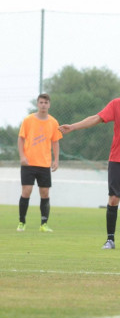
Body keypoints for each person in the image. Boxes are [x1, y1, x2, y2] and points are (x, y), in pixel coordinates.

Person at [59, 66, 120, 250]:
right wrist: (73, 127)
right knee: (114, 199)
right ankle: (110, 240)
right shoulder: (117, 104)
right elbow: (96, 118)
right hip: (118, 159)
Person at [17, 93, 63, 232]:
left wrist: (56, 160)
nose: (43, 105)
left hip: (44, 163)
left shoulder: (53, 122)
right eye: (41, 102)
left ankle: (44, 224)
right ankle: (22, 222)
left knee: (45, 193)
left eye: (46, 102)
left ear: (49, 105)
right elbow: (21, 138)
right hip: (29, 163)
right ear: (38, 104)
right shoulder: (28, 120)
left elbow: (55, 141)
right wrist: (22, 156)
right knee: (27, 191)